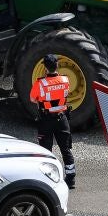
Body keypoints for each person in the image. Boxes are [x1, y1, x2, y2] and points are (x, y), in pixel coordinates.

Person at [30, 54, 77, 189]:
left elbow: (33, 99)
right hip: (62, 119)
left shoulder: (40, 84)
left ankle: (48, 179)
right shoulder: (65, 80)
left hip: (46, 120)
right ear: (57, 65)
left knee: (46, 150)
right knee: (66, 149)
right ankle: (71, 179)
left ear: (45, 67)